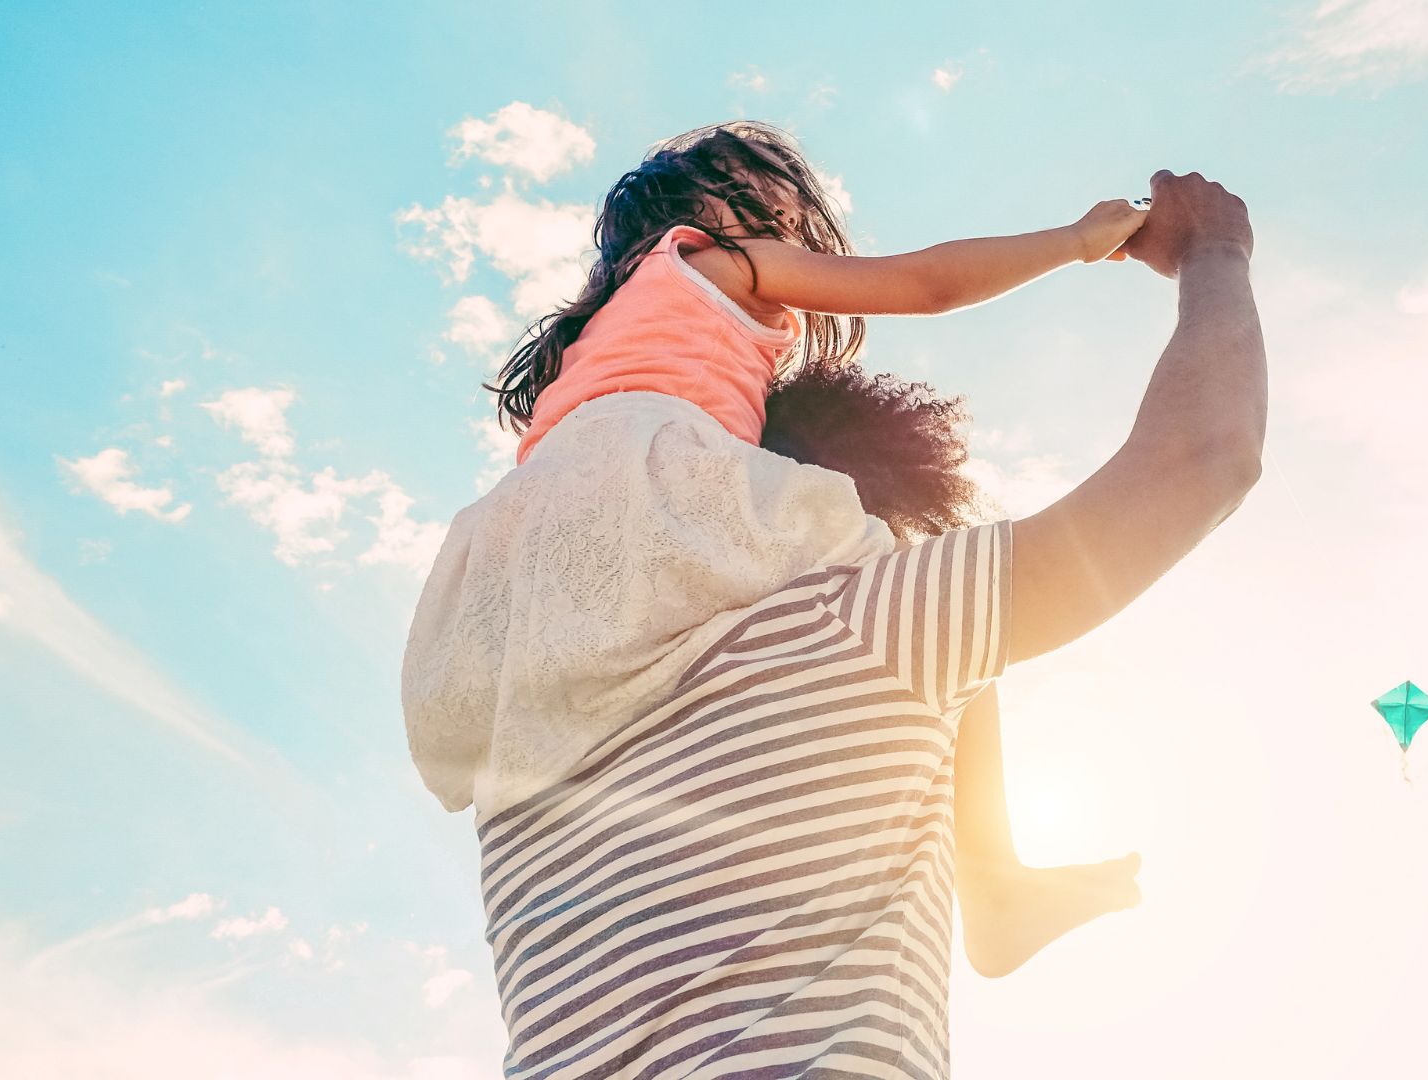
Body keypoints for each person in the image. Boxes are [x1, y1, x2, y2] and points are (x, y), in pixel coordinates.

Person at [400, 119, 1262, 1078]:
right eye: (772, 211)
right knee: (950, 633)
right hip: (650, 493)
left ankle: (998, 881)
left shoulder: (524, 810)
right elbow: (927, 283)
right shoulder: (713, 267)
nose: (792, 240)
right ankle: (997, 879)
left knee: (955, 647)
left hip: (516, 561)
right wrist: (1087, 241)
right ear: (702, 212)